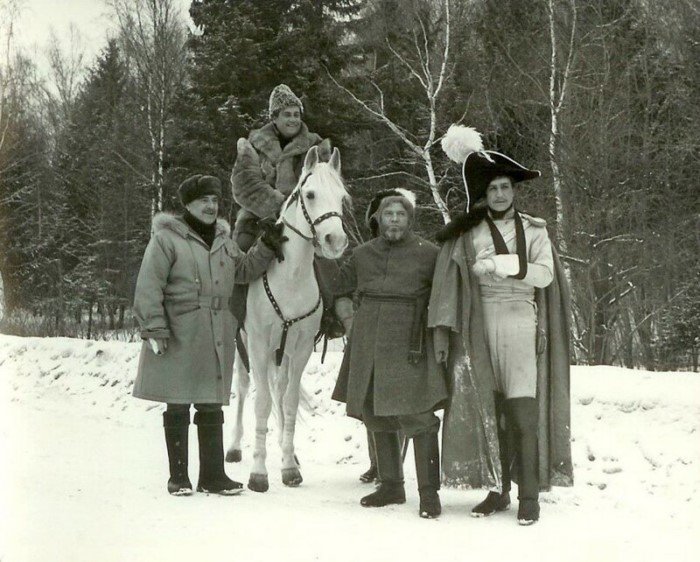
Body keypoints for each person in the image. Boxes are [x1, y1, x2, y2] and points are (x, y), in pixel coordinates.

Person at [428, 125, 573, 525]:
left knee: (522, 412)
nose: (500, 194)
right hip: (479, 323)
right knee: (489, 412)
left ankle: (529, 497)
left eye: (506, 187)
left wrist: (499, 266)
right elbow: (449, 283)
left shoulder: (535, 230)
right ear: (484, 194)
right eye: (492, 189)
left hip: (520, 322)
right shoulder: (468, 232)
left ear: (514, 190)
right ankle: (497, 491)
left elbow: (544, 276)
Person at [132, 174, 286, 496]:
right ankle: (178, 477)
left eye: (214, 200)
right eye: (203, 200)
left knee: (210, 403)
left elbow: (243, 270)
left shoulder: (224, 241)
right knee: (177, 402)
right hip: (178, 327)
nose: (210, 206)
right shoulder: (166, 239)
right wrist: (154, 327)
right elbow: (149, 285)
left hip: (217, 327)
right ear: (187, 204)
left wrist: (267, 245)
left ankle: (213, 476)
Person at [331, 189, 448, 519]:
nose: (394, 220)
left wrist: (438, 336)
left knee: (419, 416)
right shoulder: (363, 253)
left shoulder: (430, 253)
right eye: (388, 214)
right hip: (368, 338)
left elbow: (444, 296)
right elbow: (340, 292)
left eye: (400, 215)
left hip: (411, 339)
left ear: (410, 220)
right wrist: (350, 321)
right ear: (378, 220)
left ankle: (429, 493)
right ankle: (392, 485)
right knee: (376, 411)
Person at [230, 83, 352, 335]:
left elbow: (326, 184)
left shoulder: (317, 148)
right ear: (273, 117)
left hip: (306, 221)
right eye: (287, 114)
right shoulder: (252, 146)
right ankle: (235, 320)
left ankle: (330, 316)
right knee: (240, 254)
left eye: (297, 114)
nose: (293, 119)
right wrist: (279, 209)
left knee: (329, 263)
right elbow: (245, 185)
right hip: (258, 219)